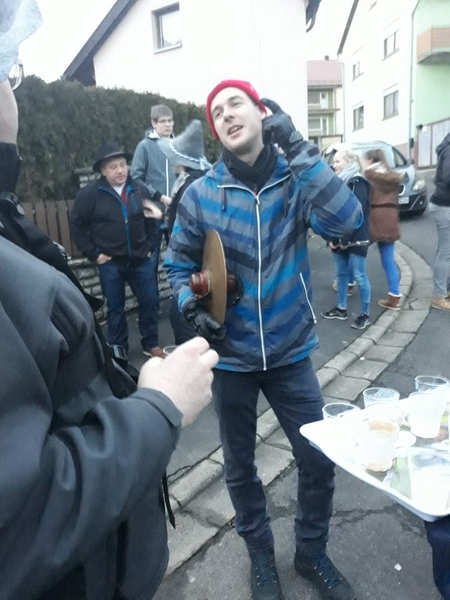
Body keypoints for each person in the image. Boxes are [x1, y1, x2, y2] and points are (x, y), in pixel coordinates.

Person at [0, 5, 219, 599]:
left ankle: (138, 350)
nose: (13, 89)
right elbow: (22, 520)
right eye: (8, 69)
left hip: (106, 569)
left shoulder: (131, 190)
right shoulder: (92, 196)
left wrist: (147, 236)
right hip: (82, 580)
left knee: (141, 313)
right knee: (116, 316)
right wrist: (158, 405)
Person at [164, 79, 363, 600]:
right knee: (239, 467)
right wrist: (190, 306)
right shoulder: (202, 194)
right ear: (216, 131)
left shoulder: (295, 180)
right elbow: (177, 264)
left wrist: (298, 146)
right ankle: (259, 555)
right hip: (231, 358)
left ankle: (311, 552)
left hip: (290, 350)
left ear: (262, 112)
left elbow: (348, 220)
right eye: (217, 112)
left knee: (318, 458)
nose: (227, 115)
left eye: (237, 104)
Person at [70, 143, 165, 359]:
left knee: (150, 301)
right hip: (111, 262)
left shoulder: (139, 189)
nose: (120, 170)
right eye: (113, 167)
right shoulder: (90, 194)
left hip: (141, 260)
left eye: (122, 165)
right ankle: (118, 349)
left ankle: (151, 343)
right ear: (103, 170)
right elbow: (77, 225)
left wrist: (150, 246)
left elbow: (153, 219)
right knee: (115, 308)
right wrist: (93, 253)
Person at [157, 118, 211, 344]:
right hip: (196, 266)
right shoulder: (192, 180)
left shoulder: (191, 186)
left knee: (184, 321)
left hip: (194, 268)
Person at [322, 149, 372, 330]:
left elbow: (355, 215)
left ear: (349, 162)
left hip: (356, 237)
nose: (333, 165)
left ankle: (365, 315)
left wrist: (342, 239)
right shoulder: (338, 183)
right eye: (334, 161)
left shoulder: (358, 182)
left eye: (338, 161)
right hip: (339, 237)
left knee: (359, 275)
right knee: (341, 274)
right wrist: (331, 237)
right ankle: (341, 308)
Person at [131, 103, 176, 273]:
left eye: (170, 121)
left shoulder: (178, 146)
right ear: (154, 123)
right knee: (150, 263)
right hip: (153, 214)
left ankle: (179, 291)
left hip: (175, 214)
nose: (167, 125)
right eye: (163, 121)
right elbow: (136, 178)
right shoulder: (144, 146)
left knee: (179, 261)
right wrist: (159, 196)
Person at [363, 148, 404, 311]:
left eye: (365, 160)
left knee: (356, 251)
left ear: (370, 161)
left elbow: (364, 199)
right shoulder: (392, 177)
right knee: (388, 259)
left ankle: (348, 284)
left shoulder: (368, 176)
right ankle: (394, 296)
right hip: (390, 217)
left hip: (373, 217)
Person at [428, 133, 450, 312]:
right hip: (444, 206)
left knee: (444, 250)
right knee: (445, 252)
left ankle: (442, 290)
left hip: (442, 204)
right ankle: (439, 296)